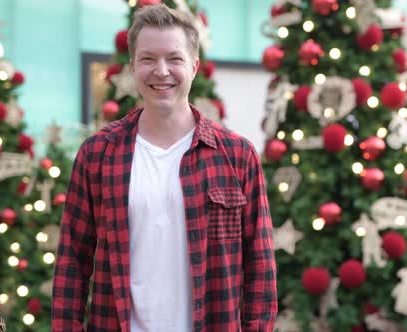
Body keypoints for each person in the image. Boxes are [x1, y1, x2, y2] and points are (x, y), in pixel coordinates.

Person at [51, 4, 277, 331]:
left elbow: (260, 268)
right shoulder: (97, 154)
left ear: (195, 66)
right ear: (132, 66)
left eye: (174, 58)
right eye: (147, 59)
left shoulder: (237, 156)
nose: (161, 71)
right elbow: (72, 262)